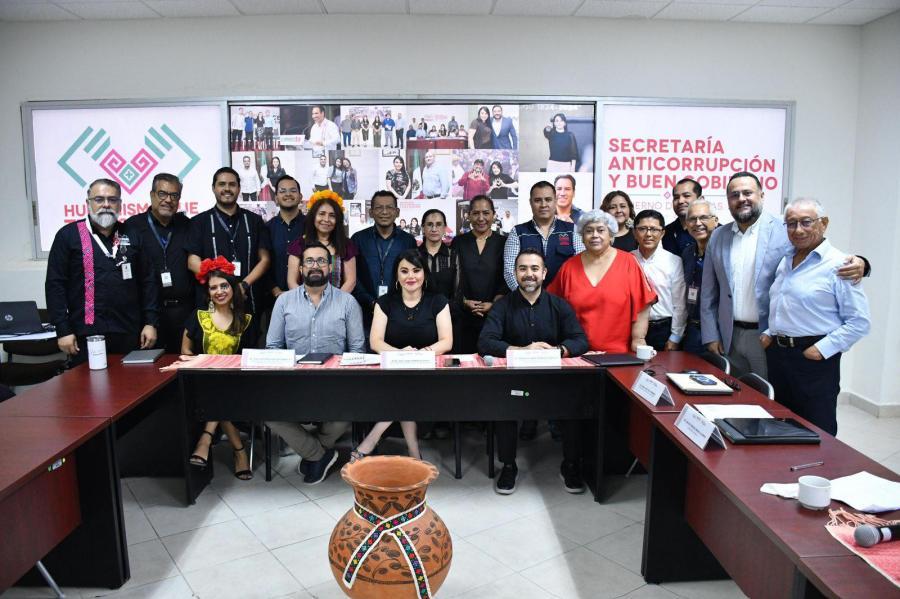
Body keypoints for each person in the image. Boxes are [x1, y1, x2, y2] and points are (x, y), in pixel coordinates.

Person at [700, 171, 867, 378]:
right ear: (728, 201)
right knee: (735, 392)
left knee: (768, 393)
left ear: (762, 195)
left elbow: (818, 252)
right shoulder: (718, 236)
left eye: (747, 193)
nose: (741, 198)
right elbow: (708, 292)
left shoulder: (786, 227)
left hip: (767, 337)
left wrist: (862, 263)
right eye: (735, 195)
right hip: (729, 335)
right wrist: (711, 335)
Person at [479, 249, 589, 494]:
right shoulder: (502, 306)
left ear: (544, 273)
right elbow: (486, 341)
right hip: (516, 383)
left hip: (552, 382)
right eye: (523, 269)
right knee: (504, 406)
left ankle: (570, 465)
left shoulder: (559, 305)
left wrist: (558, 351)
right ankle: (509, 465)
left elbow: (580, 340)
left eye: (534, 268)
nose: (529, 274)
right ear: (515, 273)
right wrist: (521, 350)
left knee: (574, 405)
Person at [761, 198, 870, 435]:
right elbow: (787, 305)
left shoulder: (840, 265)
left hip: (813, 358)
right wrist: (770, 332)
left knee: (817, 429)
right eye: (791, 224)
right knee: (781, 425)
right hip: (779, 355)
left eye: (806, 222)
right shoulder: (786, 260)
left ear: (824, 223)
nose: (798, 230)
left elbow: (859, 322)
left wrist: (821, 349)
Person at [266, 242, 365, 483]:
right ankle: (318, 454)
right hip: (294, 383)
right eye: (309, 261)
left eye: (321, 260)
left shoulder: (347, 302)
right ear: (300, 268)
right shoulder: (284, 302)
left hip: (334, 384)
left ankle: (313, 453)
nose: (315, 266)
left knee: (351, 408)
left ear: (330, 267)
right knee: (267, 412)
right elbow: (273, 348)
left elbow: (357, 350)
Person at [353, 249, 453, 461]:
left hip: (428, 373)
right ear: (396, 275)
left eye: (416, 270)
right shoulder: (384, 302)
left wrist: (422, 354)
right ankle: (414, 450)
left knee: (405, 389)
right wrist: (401, 355)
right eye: (404, 271)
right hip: (392, 372)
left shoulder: (438, 301)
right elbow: (375, 341)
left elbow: (447, 341)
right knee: (403, 387)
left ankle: (370, 441)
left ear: (424, 273)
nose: (411, 276)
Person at [46, 178, 159, 364]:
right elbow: (55, 285)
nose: (106, 204)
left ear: (120, 204)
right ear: (88, 203)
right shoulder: (68, 236)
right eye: (99, 199)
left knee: (129, 382)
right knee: (88, 382)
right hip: (85, 333)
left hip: (129, 331)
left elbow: (148, 282)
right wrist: (63, 329)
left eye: (112, 200)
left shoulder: (132, 234)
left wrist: (150, 322)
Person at [185, 258, 255, 480]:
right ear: (208, 293)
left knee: (221, 391)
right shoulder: (198, 317)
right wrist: (200, 364)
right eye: (213, 287)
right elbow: (185, 351)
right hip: (201, 380)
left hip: (236, 382)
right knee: (216, 392)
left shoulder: (245, 320)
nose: (219, 291)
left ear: (233, 288)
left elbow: (249, 358)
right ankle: (239, 451)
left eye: (224, 286)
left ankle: (206, 439)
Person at [548, 210, 656, 354]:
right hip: (578, 353)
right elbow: (552, 308)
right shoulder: (569, 267)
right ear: (582, 237)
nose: (594, 235)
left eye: (600, 230)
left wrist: (638, 339)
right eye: (589, 231)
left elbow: (643, 304)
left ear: (610, 235)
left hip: (619, 354)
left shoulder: (629, 262)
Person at [186, 167, 272, 328]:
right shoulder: (199, 222)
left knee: (250, 342)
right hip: (212, 305)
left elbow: (265, 260)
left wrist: (243, 285)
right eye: (222, 184)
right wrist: (222, 286)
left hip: (249, 301)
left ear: (239, 188)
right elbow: (192, 262)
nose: (227, 188)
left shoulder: (254, 221)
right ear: (213, 188)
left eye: (232, 184)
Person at [124, 173, 192, 353]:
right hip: (147, 316)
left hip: (183, 313)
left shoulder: (187, 225)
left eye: (174, 195)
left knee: (183, 364)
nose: (168, 200)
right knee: (149, 366)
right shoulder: (132, 227)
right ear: (152, 195)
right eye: (162, 194)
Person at [350, 191, 417, 328]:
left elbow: (413, 276)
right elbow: (352, 276)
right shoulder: (358, 239)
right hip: (363, 311)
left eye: (389, 207)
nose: (384, 212)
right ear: (371, 212)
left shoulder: (408, 241)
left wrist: (396, 302)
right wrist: (370, 302)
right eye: (379, 207)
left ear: (397, 212)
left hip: (400, 312)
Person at [503, 181, 585, 291]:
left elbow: (581, 267)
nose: (543, 205)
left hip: (563, 298)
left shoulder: (572, 230)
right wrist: (526, 296)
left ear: (555, 201)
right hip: (526, 298)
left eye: (548, 199)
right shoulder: (517, 232)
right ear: (530, 202)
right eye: (537, 200)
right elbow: (509, 271)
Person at [451, 196, 507, 352]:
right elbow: (452, 277)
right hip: (463, 316)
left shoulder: (504, 242)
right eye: (475, 213)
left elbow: (507, 278)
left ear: (494, 215)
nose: (481, 218)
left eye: (486, 213)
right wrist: (463, 301)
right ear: (468, 215)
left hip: (495, 317)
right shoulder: (458, 242)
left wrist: (494, 304)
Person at [631, 210, 687, 351]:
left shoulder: (673, 261)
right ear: (634, 233)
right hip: (631, 328)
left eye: (654, 229)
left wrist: (675, 337)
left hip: (663, 330)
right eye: (642, 229)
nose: (648, 234)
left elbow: (680, 304)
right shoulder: (627, 259)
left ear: (662, 233)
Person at [286, 193, 357, 294]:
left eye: (332, 215)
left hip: (338, 301)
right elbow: (292, 282)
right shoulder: (298, 245)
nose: (326, 219)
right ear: (313, 216)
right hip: (304, 301)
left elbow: (351, 281)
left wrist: (336, 300)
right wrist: (306, 300)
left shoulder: (346, 245)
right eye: (322, 214)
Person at [681, 199, 718, 354]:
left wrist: (715, 334)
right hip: (692, 329)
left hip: (716, 331)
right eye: (692, 219)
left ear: (715, 221)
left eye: (703, 217)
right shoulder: (688, 253)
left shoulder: (723, 252)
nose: (697, 223)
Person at [265, 175, 305, 302]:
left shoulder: (312, 226)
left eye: (293, 191)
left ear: (300, 197)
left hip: (307, 299)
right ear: (276, 198)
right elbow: (262, 263)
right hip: (274, 299)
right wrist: (275, 290)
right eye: (282, 191)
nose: (288, 194)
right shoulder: (266, 228)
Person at [418, 209, 458, 300]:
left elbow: (457, 291)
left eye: (439, 224)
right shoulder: (414, 256)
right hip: (419, 308)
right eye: (429, 224)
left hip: (448, 307)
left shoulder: (454, 256)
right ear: (423, 228)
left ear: (444, 228)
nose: (434, 229)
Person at [663, 178, 702, 255]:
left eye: (686, 196)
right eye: (676, 197)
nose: (680, 201)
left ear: (700, 200)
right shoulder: (664, 233)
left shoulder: (715, 232)